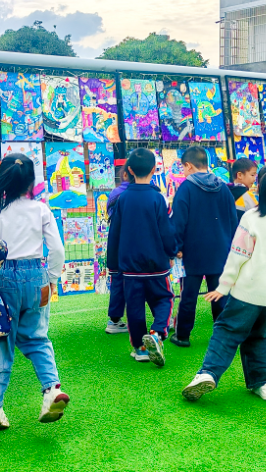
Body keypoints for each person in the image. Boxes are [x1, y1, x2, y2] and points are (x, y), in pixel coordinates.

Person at [182, 164, 266, 403]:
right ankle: (264, 383)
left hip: (247, 291)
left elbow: (238, 255)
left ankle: (208, 373)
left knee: (226, 329)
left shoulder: (252, 217)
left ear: (259, 185)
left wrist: (223, 287)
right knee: (257, 334)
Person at [0, 153, 69, 430]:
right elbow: (57, 249)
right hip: (37, 278)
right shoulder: (41, 209)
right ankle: (51, 389)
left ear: (2, 176)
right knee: (37, 338)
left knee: (2, 342)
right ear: (31, 180)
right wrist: (51, 278)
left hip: (3, 278)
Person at [107, 148, 176, 367]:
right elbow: (166, 230)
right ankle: (157, 332)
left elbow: (115, 232)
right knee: (164, 298)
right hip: (156, 264)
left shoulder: (122, 198)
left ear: (128, 170)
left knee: (134, 307)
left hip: (130, 266)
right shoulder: (158, 198)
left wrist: (113, 264)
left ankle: (140, 349)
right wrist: (172, 251)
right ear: (154, 169)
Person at [170, 146, 239, 348]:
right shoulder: (223, 188)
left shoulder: (186, 188)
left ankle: (182, 335)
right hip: (220, 251)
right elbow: (233, 221)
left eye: (183, 168)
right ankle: (223, 337)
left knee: (188, 296)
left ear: (189, 165)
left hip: (193, 252)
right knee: (220, 295)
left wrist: (176, 247)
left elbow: (178, 222)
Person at [104, 164, 130, 335]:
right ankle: (162, 318)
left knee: (118, 281)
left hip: (116, 242)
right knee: (149, 279)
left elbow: (110, 214)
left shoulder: (116, 192)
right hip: (134, 242)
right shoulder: (137, 193)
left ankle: (114, 320)